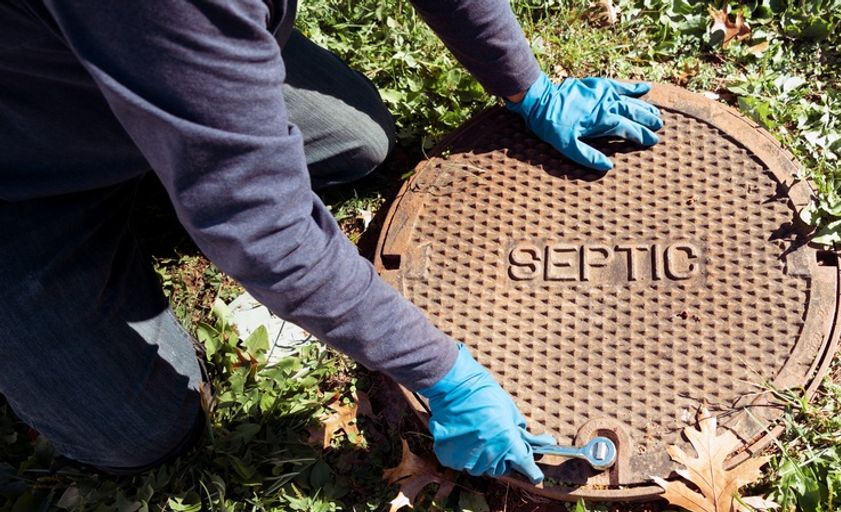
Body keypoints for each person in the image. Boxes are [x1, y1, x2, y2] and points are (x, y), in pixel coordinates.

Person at [0, 1, 663, 483]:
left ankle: (192, 122)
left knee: (360, 140)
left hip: (143, 47)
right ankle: (183, 141)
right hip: (25, 167)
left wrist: (527, 86)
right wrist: (443, 375)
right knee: (136, 430)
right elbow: (267, 229)